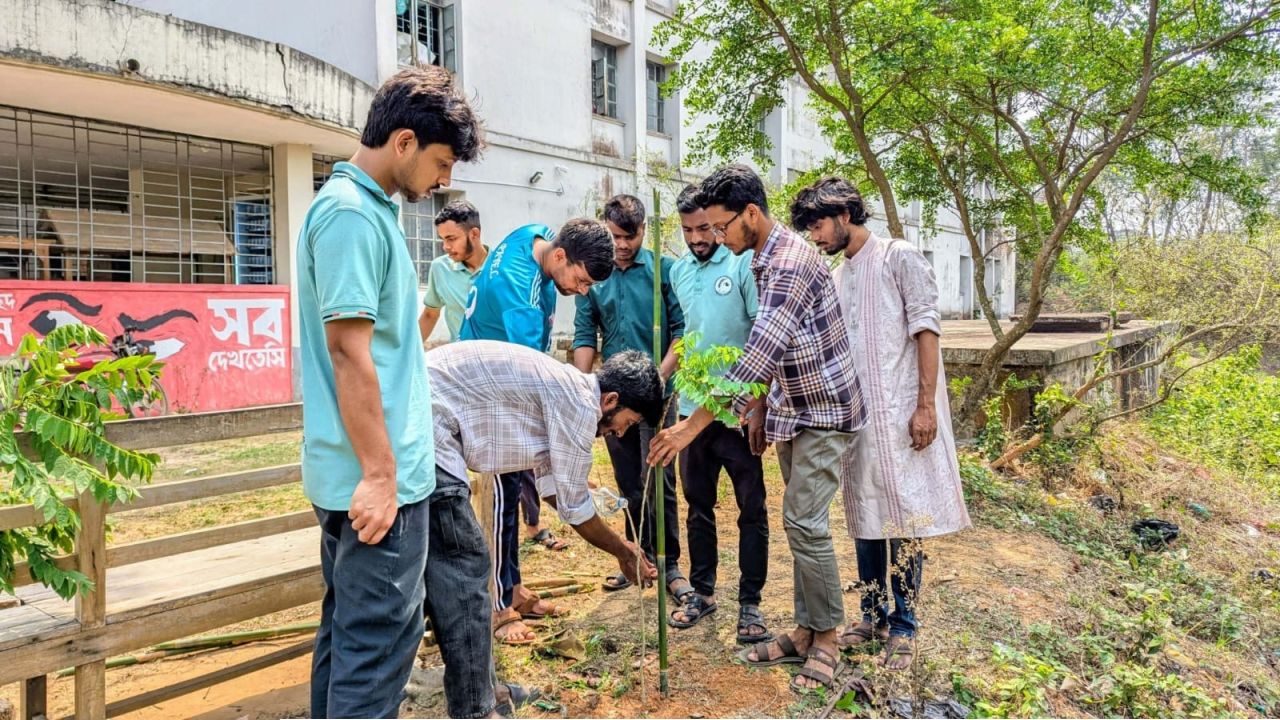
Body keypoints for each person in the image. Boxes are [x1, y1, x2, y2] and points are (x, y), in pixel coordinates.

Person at [297, 65, 482, 718]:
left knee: (350, 640)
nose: (443, 183)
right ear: (403, 142)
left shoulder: (364, 211)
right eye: (439, 163)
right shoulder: (350, 216)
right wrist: (380, 473)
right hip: (379, 486)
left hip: (367, 476)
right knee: (378, 648)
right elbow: (349, 351)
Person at [648, 164, 866, 695]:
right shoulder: (763, 255)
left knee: (804, 522)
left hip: (825, 411)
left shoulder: (789, 262)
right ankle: (803, 630)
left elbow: (756, 358)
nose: (717, 238)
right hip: (795, 408)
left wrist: (686, 430)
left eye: (723, 227)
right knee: (801, 525)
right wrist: (767, 410)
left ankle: (829, 640)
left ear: (751, 214)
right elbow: (775, 355)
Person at [422, 340, 660, 718]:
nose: (618, 433)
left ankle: (484, 690)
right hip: (425, 425)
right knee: (466, 573)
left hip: (426, 420)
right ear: (610, 400)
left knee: (455, 577)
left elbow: (553, 490)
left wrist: (614, 538)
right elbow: (576, 510)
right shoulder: (580, 405)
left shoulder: (570, 393)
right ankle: (476, 708)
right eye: (625, 423)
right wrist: (623, 551)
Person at [794, 177, 971, 671]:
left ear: (845, 215)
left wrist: (925, 405)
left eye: (819, 225)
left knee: (904, 514)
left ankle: (905, 624)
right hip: (856, 419)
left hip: (902, 416)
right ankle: (871, 615)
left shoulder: (899, 257)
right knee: (867, 513)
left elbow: (926, 329)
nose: (816, 237)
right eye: (809, 229)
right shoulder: (837, 276)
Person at [459, 218, 615, 644]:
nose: (581, 291)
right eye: (580, 280)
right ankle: (497, 606)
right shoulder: (521, 297)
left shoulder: (533, 235)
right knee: (501, 500)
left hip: (499, 380)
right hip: (484, 396)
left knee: (513, 495)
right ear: (561, 257)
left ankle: (513, 588)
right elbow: (534, 379)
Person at [666, 184, 771, 642]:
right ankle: (703, 592)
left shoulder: (743, 263)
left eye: (704, 228)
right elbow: (688, 334)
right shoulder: (679, 273)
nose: (696, 238)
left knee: (752, 507)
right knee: (697, 506)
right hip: (692, 409)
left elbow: (761, 339)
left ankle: (751, 605)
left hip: (737, 411)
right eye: (687, 230)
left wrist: (759, 404)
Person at [572, 194, 687, 600]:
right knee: (627, 485)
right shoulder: (595, 276)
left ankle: (670, 563)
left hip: (657, 398)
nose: (621, 244)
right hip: (613, 401)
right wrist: (579, 387)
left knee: (660, 479)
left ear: (643, 231)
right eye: (615, 236)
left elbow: (681, 333)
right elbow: (586, 335)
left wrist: (656, 379)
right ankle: (634, 556)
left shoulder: (665, 271)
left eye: (629, 236)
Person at [418, 200, 487, 345]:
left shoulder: (501, 267)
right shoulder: (440, 268)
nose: (445, 247)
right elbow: (430, 315)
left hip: (496, 358)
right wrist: (408, 356)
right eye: (443, 240)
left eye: (451, 239)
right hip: (460, 358)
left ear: (474, 234)